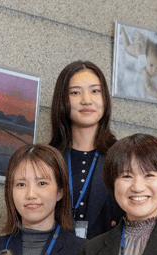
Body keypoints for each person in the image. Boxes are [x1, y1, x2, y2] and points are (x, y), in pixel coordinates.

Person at [49, 60, 124, 240]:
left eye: (95, 91)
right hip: (55, 252)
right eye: (75, 92)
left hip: (107, 253)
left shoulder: (123, 157)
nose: (86, 100)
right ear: (62, 99)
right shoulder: (47, 158)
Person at [120, 26, 157, 100]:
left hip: (145, 47)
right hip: (138, 50)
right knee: (126, 47)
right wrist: (156, 93)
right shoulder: (145, 70)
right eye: (151, 65)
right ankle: (122, 31)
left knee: (144, 43)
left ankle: (140, 37)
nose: (153, 71)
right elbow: (148, 87)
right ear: (146, 58)